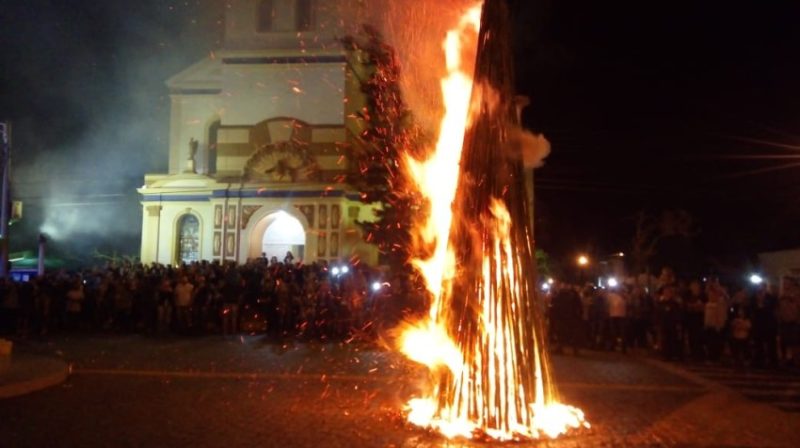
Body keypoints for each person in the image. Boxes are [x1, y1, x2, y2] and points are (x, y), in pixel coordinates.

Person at [703, 283, 728, 362]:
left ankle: (715, 358)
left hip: (716, 327)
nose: (710, 296)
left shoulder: (720, 304)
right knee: (709, 343)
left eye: (712, 295)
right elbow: (706, 315)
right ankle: (711, 357)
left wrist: (719, 325)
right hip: (709, 326)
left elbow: (721, 316)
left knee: (715, 343)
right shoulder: (708, 304)